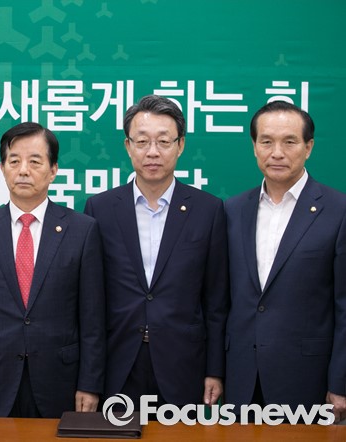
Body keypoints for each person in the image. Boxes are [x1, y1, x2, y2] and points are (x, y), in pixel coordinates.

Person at [84, 95, 228, 410]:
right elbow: (91, 301)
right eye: (142, 141)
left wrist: (215, 370)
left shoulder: (208, 210)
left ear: (180, 145)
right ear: (127, 146)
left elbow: (216, 302)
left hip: (184, 365)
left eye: (163, 141)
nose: (152, 152)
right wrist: (89, 378)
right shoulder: (100, 208)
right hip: (118, 362)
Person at [0, 122, 106, 418]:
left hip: (60, 381)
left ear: (53, 170)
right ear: (2, 169)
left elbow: (92, 318)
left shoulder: (82, 230)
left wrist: (90, 384)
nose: (23, 170)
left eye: (35, 162)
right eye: (14, 161)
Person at [224, 100, 346, 421]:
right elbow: (221, 302)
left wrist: (341, 382)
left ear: (309, 147)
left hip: (308, 381)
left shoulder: (338, 211)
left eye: (289, 142)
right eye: (266, 141)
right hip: (241, 380)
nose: (276, 152)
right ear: (254, 147)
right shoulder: (232, 211)